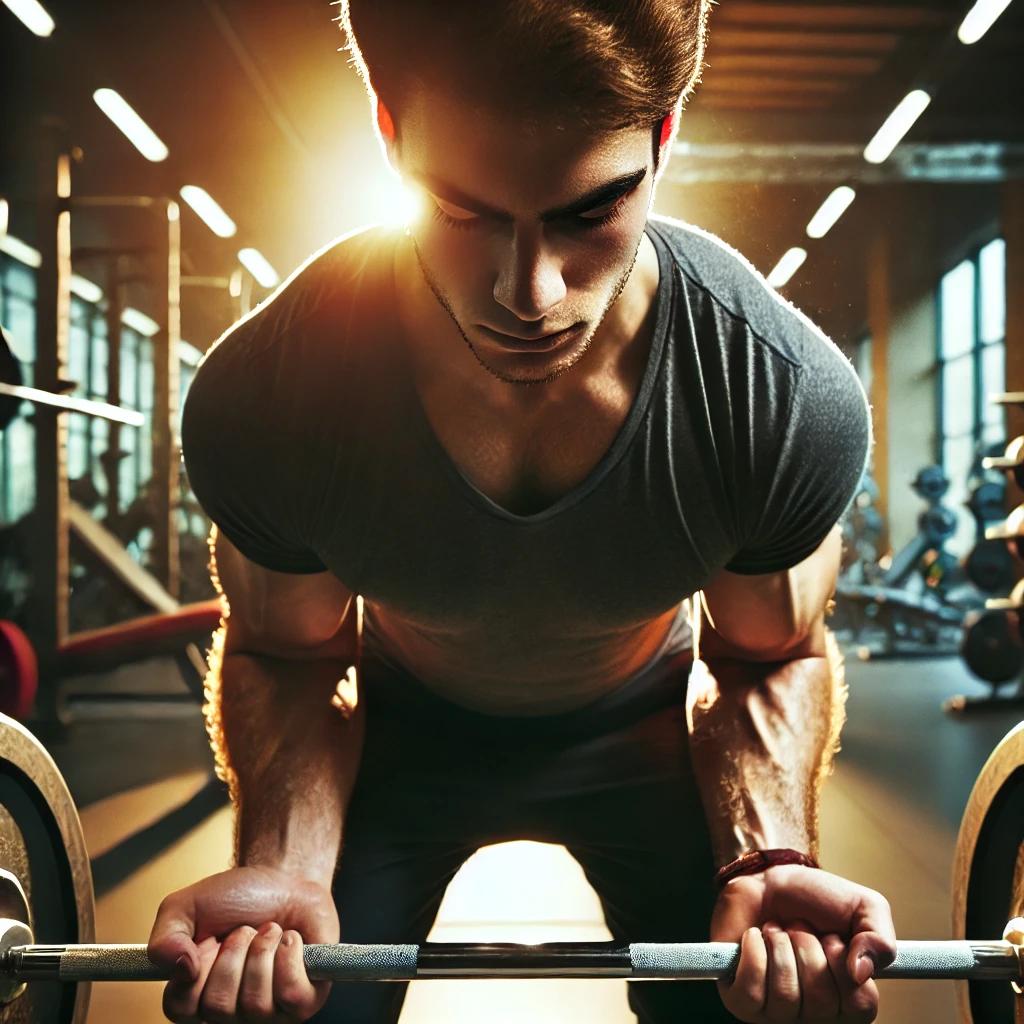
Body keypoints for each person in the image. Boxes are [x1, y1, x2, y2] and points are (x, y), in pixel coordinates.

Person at [148, 2, 895, 1021]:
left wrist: (767, 852)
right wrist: (284, 868)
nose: (529, 291)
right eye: (465, 213)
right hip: (397, 734)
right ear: (388, 133)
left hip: (645, 736)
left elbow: (766, 655)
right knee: (296, 1004)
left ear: (662, 138)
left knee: (750, 999)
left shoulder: (771, 393)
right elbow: (290, 653)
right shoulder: (275, 392)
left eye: (590, 213)